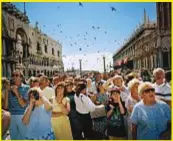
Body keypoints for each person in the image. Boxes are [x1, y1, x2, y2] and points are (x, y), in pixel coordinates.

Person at [3, 70, 29, 139]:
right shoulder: (9, 89)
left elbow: (23, 104)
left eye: (16, 75)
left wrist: (17, 93)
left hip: (22, 116)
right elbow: (5, 107)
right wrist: (7, 92)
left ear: (21, 78)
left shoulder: (27, 88)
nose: (14, 77)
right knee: (14, 138)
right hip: (12, 117)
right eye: (13, 75)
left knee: (24, 137)